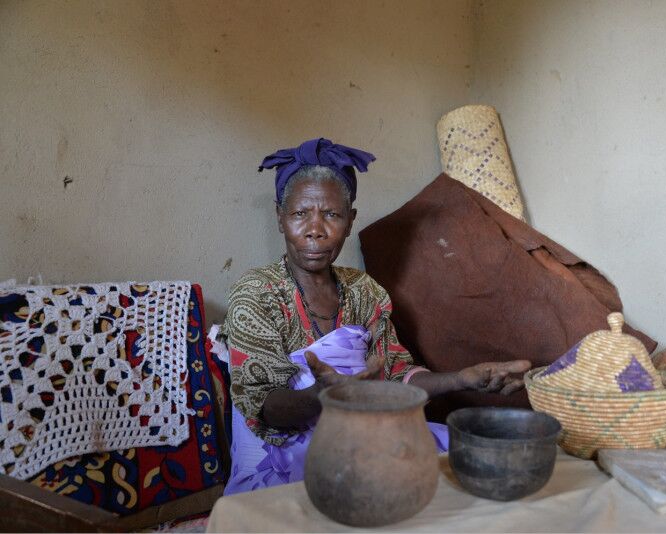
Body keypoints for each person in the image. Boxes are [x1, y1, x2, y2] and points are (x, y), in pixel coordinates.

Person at [221, 138, 531, 495]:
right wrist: (322, 395)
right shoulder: (256, 294)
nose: (315, 229)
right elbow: (263, 407)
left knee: (472, 465)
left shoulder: (363, 291)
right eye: (300, 214)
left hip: (363, 439)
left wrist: (463, 379)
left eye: (332, 215)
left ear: (350, 221)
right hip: (282, 458)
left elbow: (395, 377)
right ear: (280, 217)